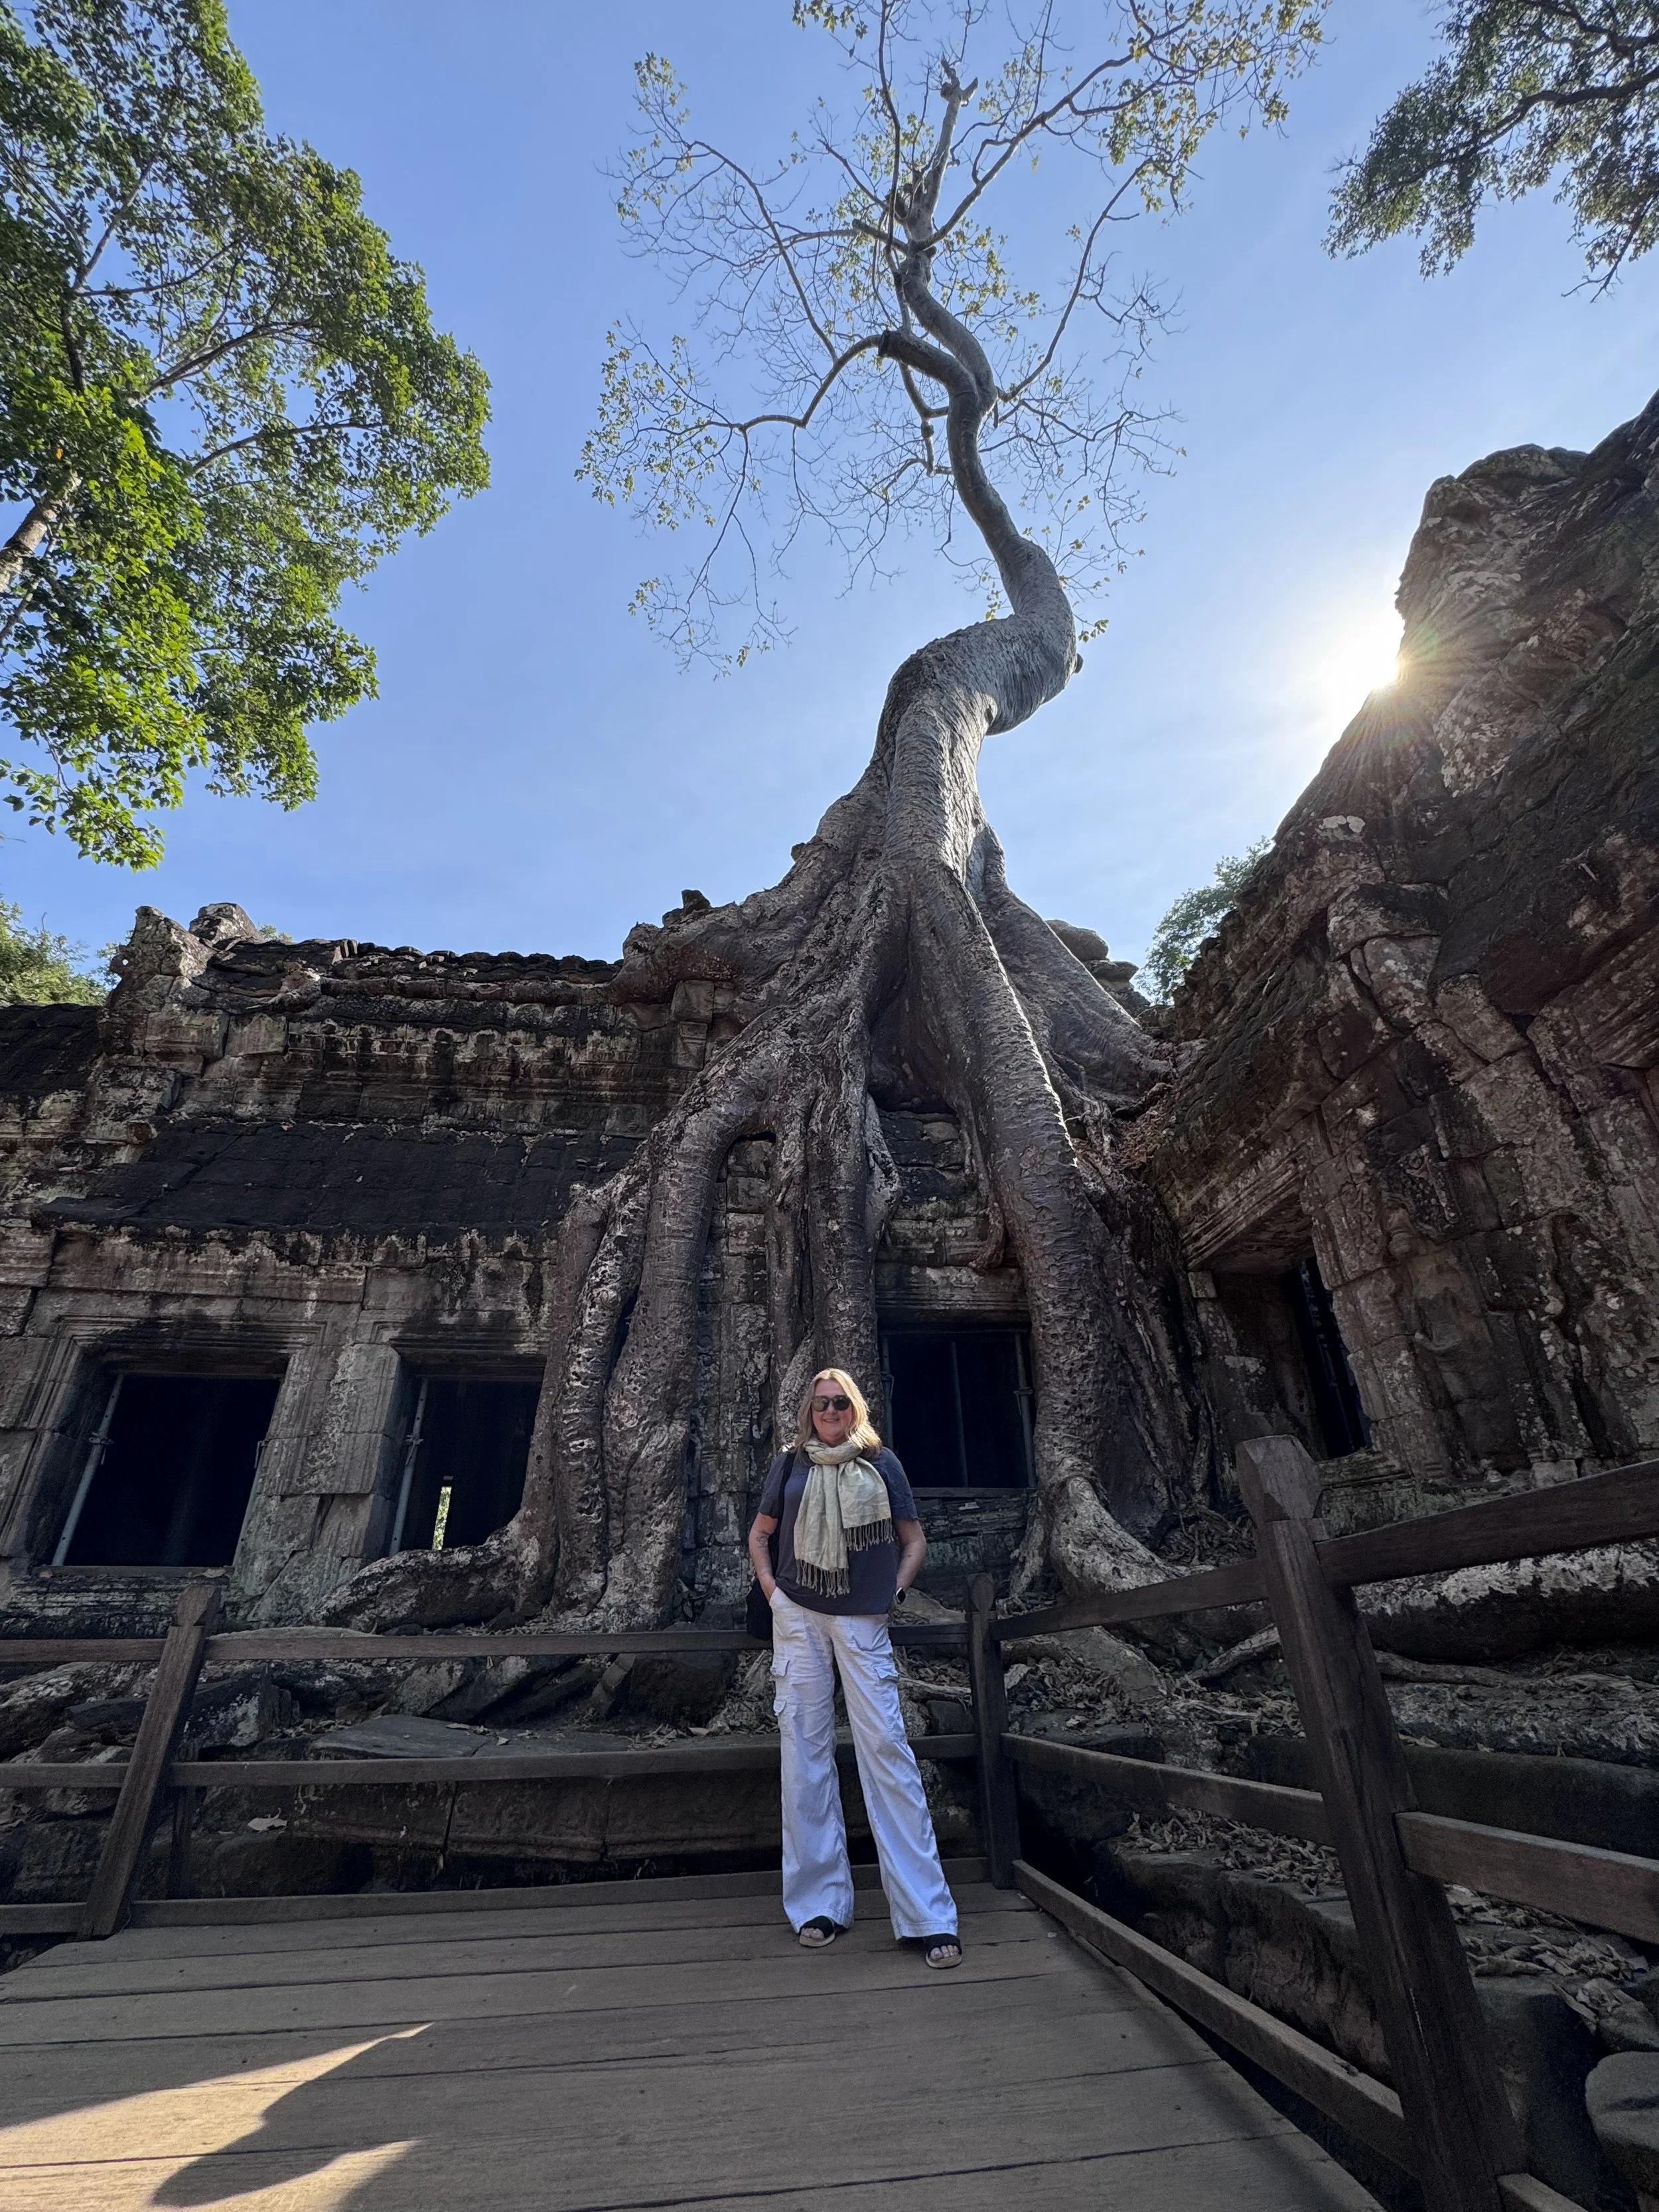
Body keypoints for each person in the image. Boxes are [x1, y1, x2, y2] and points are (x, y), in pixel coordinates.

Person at [749, 1365, 962, 1968]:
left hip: (864, 1620)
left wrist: (893, 1593)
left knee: (887, 1751)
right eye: (821, 1404)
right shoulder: (789, 1465)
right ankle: (818, 1903)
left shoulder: (882, 1464)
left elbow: (913, 1539)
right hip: (798, 1617)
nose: (831, 1412)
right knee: (804, 1753)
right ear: (808, 1411)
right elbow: (761, 1534)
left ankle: (926, 1913)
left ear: (856, 1408)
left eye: (841, 1403)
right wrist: (774, 1594)